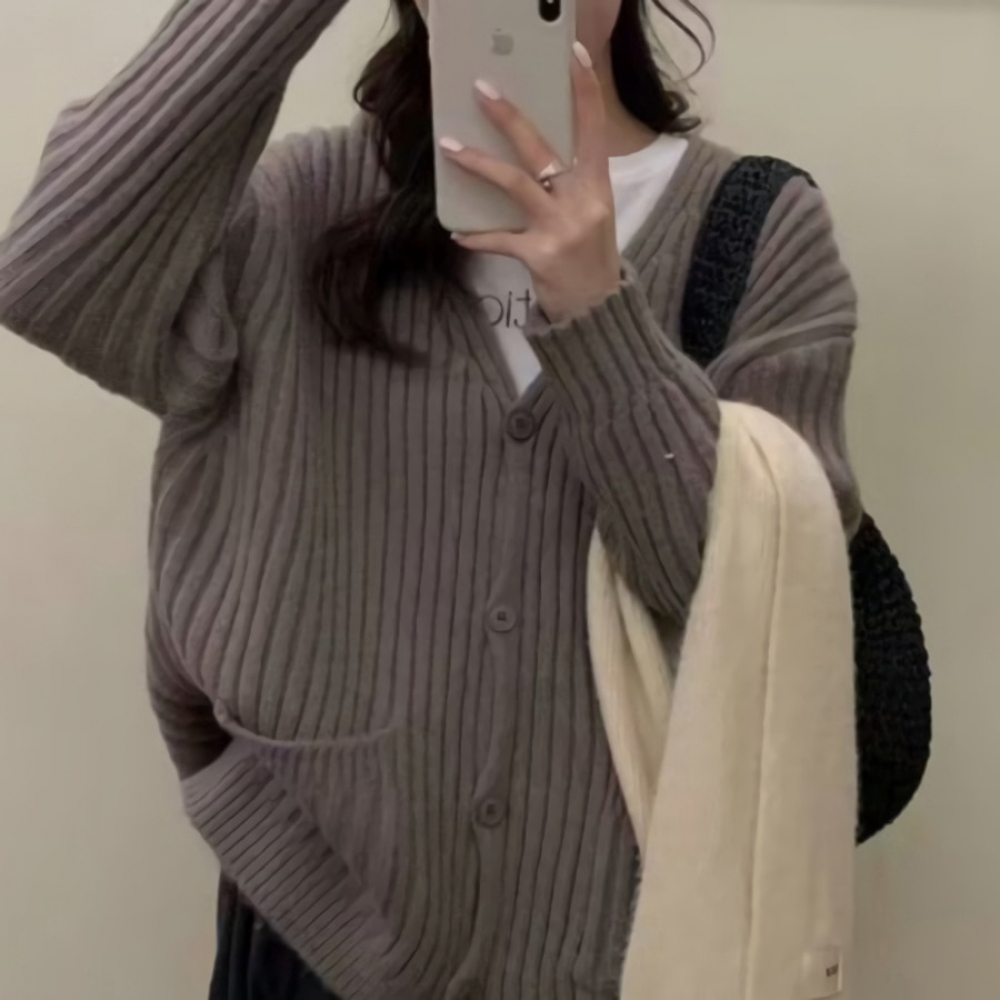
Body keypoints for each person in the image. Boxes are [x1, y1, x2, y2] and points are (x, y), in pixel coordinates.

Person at [0, 0, 861, 997]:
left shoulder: (759, 236)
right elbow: (52, 273)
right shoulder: (300, 204)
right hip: (305, 932)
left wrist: (597, 309)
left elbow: (740, 615)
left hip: (608, 960)